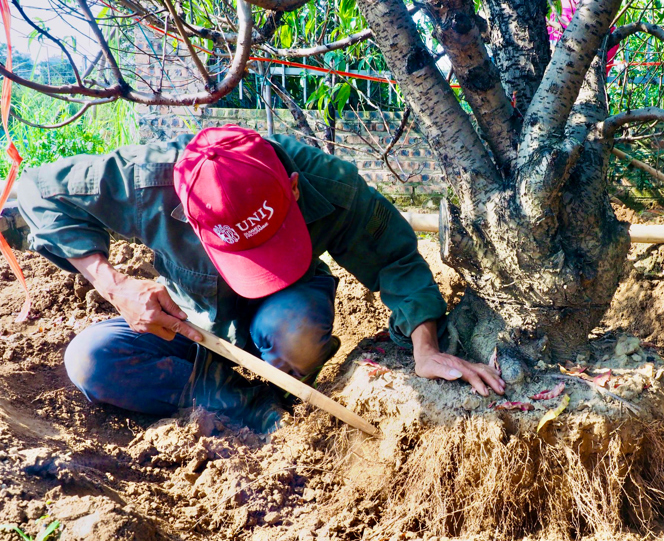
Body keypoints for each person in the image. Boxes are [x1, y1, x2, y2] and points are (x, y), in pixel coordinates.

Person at [16, 124, 504, 432]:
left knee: (295, 334)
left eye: (268, 242)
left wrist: (425, 347)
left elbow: (395, 257)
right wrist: (115, 284)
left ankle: (281, 394)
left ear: (291, 188)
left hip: (285, 312)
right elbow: (37, 190)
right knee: (91, 361)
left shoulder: (326, 181)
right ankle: (240, 407)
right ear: (186, 211)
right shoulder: (146, 180)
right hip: (190, 324)